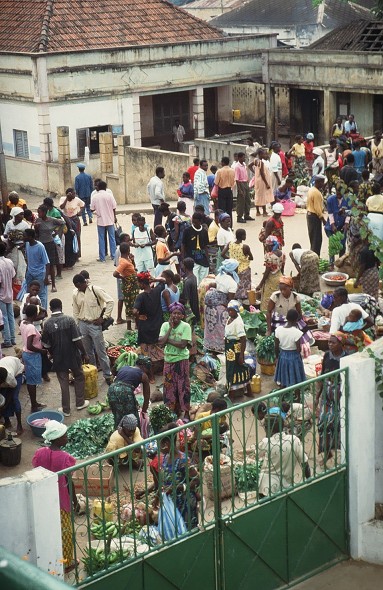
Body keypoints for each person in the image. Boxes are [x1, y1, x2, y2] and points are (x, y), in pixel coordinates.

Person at [32, 421, 78, 573]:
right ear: (57, 439)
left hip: (44, 498)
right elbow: (69, 481)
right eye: (64, 435)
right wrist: (75, 500)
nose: (67, 437)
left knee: (49, 528)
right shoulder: (65, 458)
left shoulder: (40, 453)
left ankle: (49, 557)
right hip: (61, 500)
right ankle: (66, 563)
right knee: (66, 531)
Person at [42, 298, 89, 417]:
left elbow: (46, 345)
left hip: (58, 357)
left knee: (64, 382)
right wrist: (84, 353)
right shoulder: (69, 320)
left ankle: (66, 409)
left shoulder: (47, 324)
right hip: (73, 355)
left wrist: (52, 353)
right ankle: (80, 402)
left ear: (50, 308)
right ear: (61, 306)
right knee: (79, 376)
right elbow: (77, 340)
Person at [72, 273, 113, 383]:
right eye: (76, 287)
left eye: (79, 286)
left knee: (100, 351)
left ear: (83, 283)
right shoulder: (75, 293)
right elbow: (75, 311)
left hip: (95, 324)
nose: (78, 289)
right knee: (88, 352)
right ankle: (92, 373)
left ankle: (107, 375)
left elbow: (110, 301)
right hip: (82, 324)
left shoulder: (95, 289)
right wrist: (77, 326)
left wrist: (104, 318)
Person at [157, 426, 199, 530]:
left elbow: (197, 480)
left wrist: (179, 487)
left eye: (160, 444)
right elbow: (166, 478)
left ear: (166, 444)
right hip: (172, 504)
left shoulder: (183, 460)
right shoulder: (166, 458)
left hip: (185, 504)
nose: (159, 447)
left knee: (188, 532)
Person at [258, 414, 310, 497]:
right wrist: (309, 481)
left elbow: (257, 455)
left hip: (267, 487)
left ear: (268, 428)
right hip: (287, 486)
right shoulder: (294, 440)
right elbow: (305, 463)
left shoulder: (266, 442)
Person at [315, 334, 347, 465]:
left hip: (340, 397)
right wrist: (317, 397)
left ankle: (342, 453)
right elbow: (323, 377)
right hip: (327, 397)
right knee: (323, 423)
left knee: (339, 424)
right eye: (329, 342)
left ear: (341, 344)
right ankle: (327, 452)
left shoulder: (347, 358)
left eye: (333, 343)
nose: (330, 344)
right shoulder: (327, 356)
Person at [159, 302, 192, 419]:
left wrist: (167, 340)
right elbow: (160, 343)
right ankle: (172, 411)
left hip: (182, 360)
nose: (176, 316)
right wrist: (170, 329)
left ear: (182, 316)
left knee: (183, 386)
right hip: (168, 360)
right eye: (174, 313)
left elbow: (183, 345)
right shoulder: (164, 326)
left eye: (179, 313)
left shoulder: (186, 326)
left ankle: (186, 412)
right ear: (170, 314)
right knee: (169, 386)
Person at [204, 259, 239, 353]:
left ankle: (210, 347)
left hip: (210, 308)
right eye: (237, 268)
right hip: (220, 309)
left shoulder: (219, 275)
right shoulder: (232, 283)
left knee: (211, 328)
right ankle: (221, 348)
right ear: (233, 269)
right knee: (221, 329)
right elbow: (230, 302)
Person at [132, 272, 165, 370]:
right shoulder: (157, 291)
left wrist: (139, 316)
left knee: (147, 354)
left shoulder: (141, 297)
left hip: (146, 329)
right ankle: (160, 369)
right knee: (158, 348)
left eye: (139, 283)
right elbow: (163, 280)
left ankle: (151, 375)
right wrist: (154, 280)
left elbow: (134, 311)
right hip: (157, 325)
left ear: (142, 284)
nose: (138, 285)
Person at [108, 356, 151, 428]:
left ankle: (118, 434)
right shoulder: (143, 375)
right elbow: (147, 396)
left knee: (117, 415)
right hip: (125, 390)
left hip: (111, 389)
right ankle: (135, 436)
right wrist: (144, 411)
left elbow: (113, 372)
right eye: (147, 369)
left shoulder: (124, 367)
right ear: (143, 366)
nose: (147, 371)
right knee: (132, 418)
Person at [20, 304, 47, 412]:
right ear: (35, 314)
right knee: (32, 381)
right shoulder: (31, 327)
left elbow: (42, 315)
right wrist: (42, 351)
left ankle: (34, 402)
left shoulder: (23, 322)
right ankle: (34, 405)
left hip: (27, 355)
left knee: (32, 379)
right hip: (32, 355)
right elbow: (30, 345)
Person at [34, 204, 65, 293]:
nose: (38, 214)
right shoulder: (38, 220)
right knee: (42, 264)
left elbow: (62, 223)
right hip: (41, 244)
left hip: (50, 244)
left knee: (51, 264)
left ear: (44, 212)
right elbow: (36, 234)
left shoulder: (51, 220)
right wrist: (36, 228)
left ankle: (53, 285)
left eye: (40, 212)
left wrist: (57, 233)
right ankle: (43, 282)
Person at [225, 300, 251, 398]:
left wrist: (241, 354)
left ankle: (231, 394)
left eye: (232, 311)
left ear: (236, 311)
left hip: (235, 348)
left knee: (234, 369)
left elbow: (243, 339)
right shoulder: (230, 318)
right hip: (229, 348)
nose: (230, 312)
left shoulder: (238, 323)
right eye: (229, 310)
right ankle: (247, 390)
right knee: (233, 368)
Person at [274, 308, 306, 388]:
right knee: (296, 379)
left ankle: (283, 397)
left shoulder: (278, 330)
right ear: (296, 320)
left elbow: (276, 346)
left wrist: (277, 357)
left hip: (282, 356)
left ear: (287, 318)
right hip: (294, 357)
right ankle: (297, 397)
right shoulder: (297, 332)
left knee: (283, 378)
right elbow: (298, 349)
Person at [113, 242, 139, 330]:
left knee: (132, 304)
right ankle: (130, 326)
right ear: (128, 250)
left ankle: (134, 324)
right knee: (131, 304)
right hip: (129, 286)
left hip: (132, 284)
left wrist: (133, 260)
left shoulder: (125, 259)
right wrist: (123, 278)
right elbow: (115, 273)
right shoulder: (124, 262)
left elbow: (133, 268)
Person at [23, 228, 50, 311]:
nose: (23, 237)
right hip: (30, 273)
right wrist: (27, 271)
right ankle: (31, 310)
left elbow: (47, 263)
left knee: (41, 293)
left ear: (30, 237)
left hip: (40, 274)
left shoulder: (40, 246)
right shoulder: (27, 244)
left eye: (25, 236)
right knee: (29, 293)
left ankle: (43, 311)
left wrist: (46, 277)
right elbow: (28, 259)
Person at [90, 180, 117, 262]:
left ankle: (102, 257)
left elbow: (91, 209)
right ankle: (113, 255)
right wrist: (114, 217)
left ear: (98, 187)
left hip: (100, 220)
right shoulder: (109, 196)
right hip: (110, 219)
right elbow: (114, 207)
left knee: (101, 238)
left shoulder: (95, 196)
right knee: (112, 238)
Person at [325, 179, 350, 264]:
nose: (338, 195)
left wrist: (346, 223)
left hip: (343, 226)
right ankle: (331, 263)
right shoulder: (330, 199)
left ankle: (341, 262)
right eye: (337, 193)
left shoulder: (348, 199)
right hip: (331, 226)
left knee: (342, 246)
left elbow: (349, 213)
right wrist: (332, 225)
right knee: (332, 245)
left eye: (340, 193)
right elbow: (330, 213)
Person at [257, 235, 285, 311]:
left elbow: (267, 271)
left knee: (268, 299)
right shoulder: (282, 254)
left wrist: (261, 284)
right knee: (278, 298)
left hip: (271, 280)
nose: (266, 247)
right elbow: (282, 267)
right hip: (280, 277)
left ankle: (267, 315)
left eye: (267, 246)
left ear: (270, 246)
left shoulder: (269, 256)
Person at [181, 212, 209, 286]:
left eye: (196, 222)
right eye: (193, 222)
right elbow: (183, 245)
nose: (194, 224)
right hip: (193, 262)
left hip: (204, 261)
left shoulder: (204, 231)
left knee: (203, 284)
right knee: (195, 283)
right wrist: (183, 259)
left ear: (200, 222)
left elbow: (206, 246)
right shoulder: (187, 231)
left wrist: (208, 259)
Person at [225, 228, 253, 300]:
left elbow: (222, 254)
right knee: (244, 287)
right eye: (245, 235)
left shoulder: (230, 244)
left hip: (233, 268)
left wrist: (231, 259)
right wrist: (245, 259)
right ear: (242, 236)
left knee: (234, 286)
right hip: (243, 269)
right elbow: (251, 257)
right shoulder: (245, 247)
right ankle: (243, 300)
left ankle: (233, 299)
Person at [0, 356, 24, 435]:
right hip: (6, 363)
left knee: (14, 398)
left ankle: (19, 425)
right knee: (2, 399)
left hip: (17, 371)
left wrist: (5, 405)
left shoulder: (10, 378)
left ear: (3, 381)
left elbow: (12, 390)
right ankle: (7, 422)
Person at [0, 241, 16, 348]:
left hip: (1, 294)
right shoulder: (9, 261)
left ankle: (7, 340)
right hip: (9, 292)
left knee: (3, 317)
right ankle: (12, 338)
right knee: (10, 316)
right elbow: (13, 276)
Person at [113, 233, 131, 324]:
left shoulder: (118, 250)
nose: (130, 242)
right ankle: (119, 318)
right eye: (128, 240)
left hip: (122, 276)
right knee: (122, 298)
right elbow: (118, 267)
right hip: (122, 277)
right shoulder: (121, 251)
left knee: (122, 298)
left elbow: (115, 263)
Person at [250, 148, 274, 216]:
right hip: (262, 181)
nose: (265, 155)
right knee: (263, 195)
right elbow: (262, 174)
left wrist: (255, 173)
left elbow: (249, 166)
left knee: (257, 195)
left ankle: (258, 211)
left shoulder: (255, 160)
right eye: (264, 154)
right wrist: (266, 183)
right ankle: (264, 211)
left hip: (257, 180)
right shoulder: (261, 162)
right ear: (260, 154)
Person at [306, 174, 326, 256]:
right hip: (315, 217)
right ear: (318, 182)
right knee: (316, 240)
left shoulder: (311, 190)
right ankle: (315, 257)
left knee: (313, 237)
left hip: (310, 215)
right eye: (322, 182)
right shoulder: (316, 193)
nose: (323, 184)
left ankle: (314, 256)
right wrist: (323, 219)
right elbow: (317, 208)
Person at [180, 257, 200, 324]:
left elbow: (186, 300)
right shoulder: (194, 277)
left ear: (185, 266)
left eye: (182, 265)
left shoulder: (188, 281)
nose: (181, 266)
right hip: (194, 307)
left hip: (190, 310)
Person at [234, 152, 252, 223]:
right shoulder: (237, 167)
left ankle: (247, 214)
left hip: (245, 182)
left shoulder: (244, 165)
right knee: (241, 201)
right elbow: (237, 179)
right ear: (239, 158)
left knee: (248, 200)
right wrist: (240, 189)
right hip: (241, 183)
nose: (244, 158)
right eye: (243, 157)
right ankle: (239, 216)